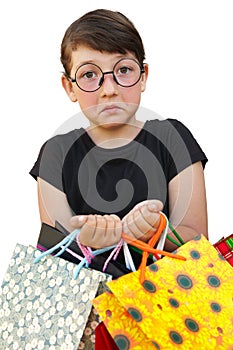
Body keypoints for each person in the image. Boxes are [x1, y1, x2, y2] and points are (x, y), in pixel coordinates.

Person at [30, 9, 208, 264]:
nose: (110, 90)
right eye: (89, 75)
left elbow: (198, 245)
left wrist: (156, 230)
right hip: (91, 302)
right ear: (70, 87)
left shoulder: (172, 138)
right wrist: (88, 241)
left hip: (171, 299)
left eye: (123, 70)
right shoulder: (56, 154)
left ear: (143, 76)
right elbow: (54, 257)